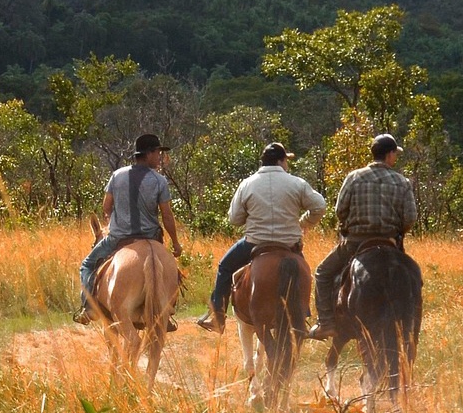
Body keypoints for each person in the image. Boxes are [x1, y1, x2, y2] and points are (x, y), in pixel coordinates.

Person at [194, 142, 327, 333]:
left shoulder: (247, 184)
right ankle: (303, 315)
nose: (287, 165)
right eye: (286, 161)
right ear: (281, 161)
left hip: (254, 243)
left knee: (225, 267)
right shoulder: (297, 183)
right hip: (289, 244)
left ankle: (218, 317)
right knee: (303, 271)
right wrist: (304, 222)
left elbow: (234, 219)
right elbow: (319, 206)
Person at [306, 133, 417, 340]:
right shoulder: (402, 182)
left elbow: (340, 210)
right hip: (390, 242)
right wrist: (398, 232)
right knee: (414, 276)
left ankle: (326, 323)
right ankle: (410, 324)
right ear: (389, 155)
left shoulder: (354, 177)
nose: (395, 158)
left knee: (323, 273)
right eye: (395, 154)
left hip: (355, 243)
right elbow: (410, 217)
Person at [75, 133, 185, 325]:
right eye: (157, 152)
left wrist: (115, 222)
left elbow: (106, 206)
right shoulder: (159, 181)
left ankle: (89, 307)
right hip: (151, 237)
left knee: (87, 265)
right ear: (148, 154)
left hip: (118, 237)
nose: (159, 157)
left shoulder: (117, 176)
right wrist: (175, 243)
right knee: (172, 270)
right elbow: (167, 215)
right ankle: (167, 312)